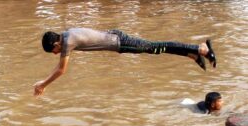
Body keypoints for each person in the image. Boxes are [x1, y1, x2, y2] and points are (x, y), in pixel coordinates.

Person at [34, 28, 217, 96]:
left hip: (120, 43)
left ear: (56, 43)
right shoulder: (66, 34)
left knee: (157, 47)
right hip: (116, 37)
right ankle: (192, 55)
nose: (56, 53)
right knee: (156, 50)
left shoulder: (67, 42)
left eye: (54, 51)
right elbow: (59, 65)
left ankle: (200, 49)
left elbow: (61, 70)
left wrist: (43, 84)